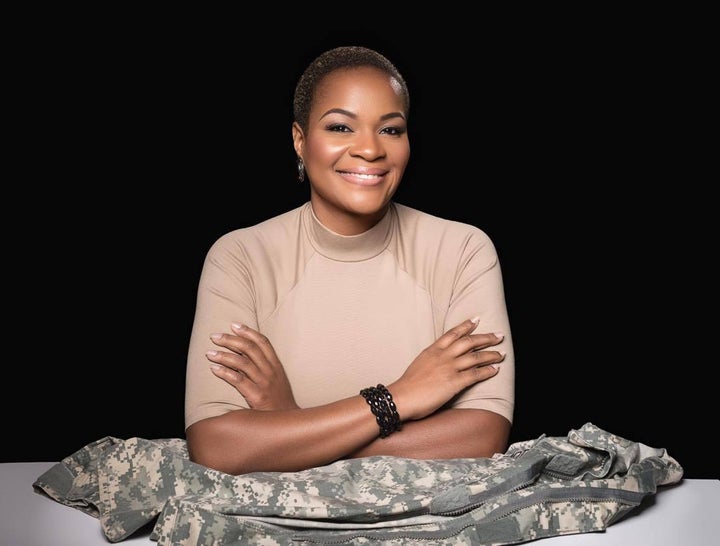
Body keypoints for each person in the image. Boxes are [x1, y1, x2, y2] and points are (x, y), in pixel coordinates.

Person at [184, 45, 515, 475]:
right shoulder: (241, 257)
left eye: (390, 130)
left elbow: (483, 436)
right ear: (300, 140)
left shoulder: (463, 251)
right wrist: (398, 397)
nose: (370, 150)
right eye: (340, 127)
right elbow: (216, 447)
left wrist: (291, 428)